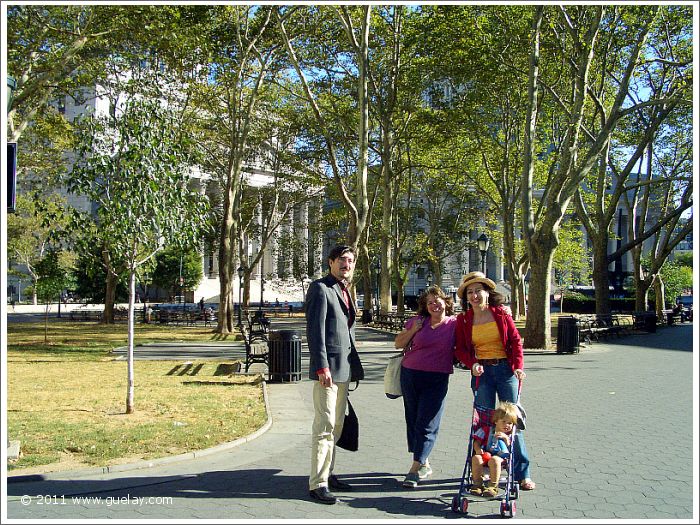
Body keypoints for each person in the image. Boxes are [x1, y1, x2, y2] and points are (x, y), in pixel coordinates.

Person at [455, 271, 536, 491]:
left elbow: (515, 341)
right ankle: (482, 470)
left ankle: (522, 473)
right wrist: (472, 363)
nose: (474, 296)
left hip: (505, 370)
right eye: (470, 292)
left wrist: (518, 366)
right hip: (482, 374)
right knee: (482, 423)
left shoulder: (500, 314)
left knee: (511, 422)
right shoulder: (463, 320)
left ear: (488, 293)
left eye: (478, 291)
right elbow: (460, 349)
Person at [305, 245, 361, 504]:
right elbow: (315, 332)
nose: (346, 265)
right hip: (327, 370)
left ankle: (329, 472)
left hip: (344, 369)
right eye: (341, 260)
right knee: (325, 426)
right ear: (330, 262)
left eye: (350, 261)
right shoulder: (320, 288)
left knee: (337, 425)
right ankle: (318, 483)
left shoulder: (347, 290)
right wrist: (321, 366)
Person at [394, 285, 457, 489]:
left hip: (437, 378)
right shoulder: (418, 321)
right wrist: (414, 330)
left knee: (427, 422)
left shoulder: (456, 324)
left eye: (437, 300)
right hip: (410, 374)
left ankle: (415, 468)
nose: (433, 305)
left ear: (445, 302)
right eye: (429, 302)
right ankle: (424, 461)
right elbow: (398, 343)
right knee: (413, 419)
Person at [470, 401, 518, 497]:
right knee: (476, 458)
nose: (507, 425)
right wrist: (478, 449)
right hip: (485, 454)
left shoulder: (509, 435)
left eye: (510, 423)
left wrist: (505, 439)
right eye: (504, 421)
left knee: (494, 460)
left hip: (501, 457)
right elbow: (476, 442)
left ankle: (493, 486)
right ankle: (477, 484)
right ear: (496, 421)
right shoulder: (486, 430)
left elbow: (509, 449)